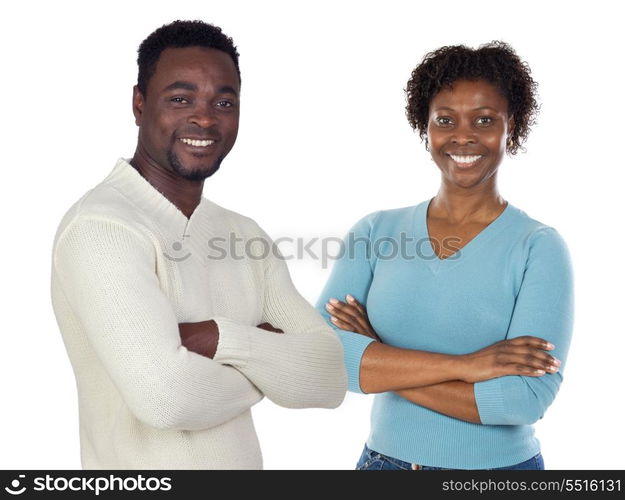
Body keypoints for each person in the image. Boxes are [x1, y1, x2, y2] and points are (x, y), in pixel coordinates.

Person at [51, 20, 346, 470]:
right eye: (180, 98)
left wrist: (220, 338)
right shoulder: (102, 228)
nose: (205, 118)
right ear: (139, 103)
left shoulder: (245, 237)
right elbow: (166, 399)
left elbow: (328, 377)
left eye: (223, 102)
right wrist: (270, 368)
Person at [317, 41, 574, 470]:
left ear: (514, 126)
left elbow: (524, 399)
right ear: (426, 127)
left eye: (485, 120)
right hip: (382, 465)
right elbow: (322, 356)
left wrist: (378, 354)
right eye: (445, 120)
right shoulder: (376, 232)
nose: (464, 136)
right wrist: (469, 366)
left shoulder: (539, 248)